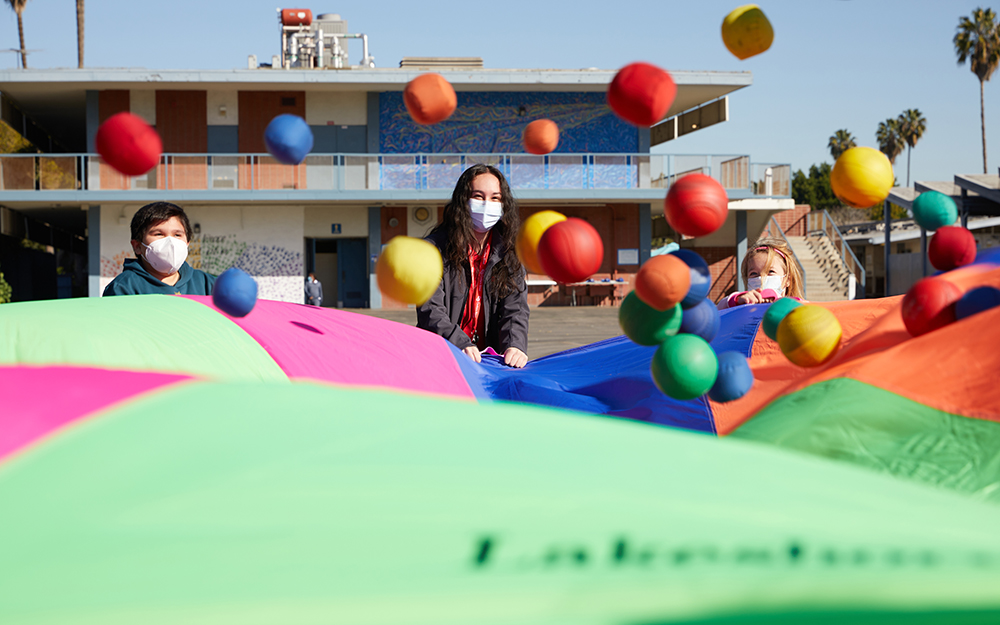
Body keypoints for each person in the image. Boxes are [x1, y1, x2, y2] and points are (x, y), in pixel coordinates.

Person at [417, 163, 529, 368]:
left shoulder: (510, 253)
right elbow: (430, 310)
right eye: (478, 196)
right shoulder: (433, 250)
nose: (487, 204)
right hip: (443, 357)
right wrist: (459, 343)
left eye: (495, 198)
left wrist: (515, 345)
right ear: (463, 201)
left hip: (490, 362)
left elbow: (516, 309)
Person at [103, 202, 216, 296]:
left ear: (187, 243)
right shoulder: (123, 288)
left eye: (177, 235)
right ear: (137, 246)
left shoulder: (207, 284)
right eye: (158, 234)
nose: (170, 243)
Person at [717, 237, 806, 309]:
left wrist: (782, 302)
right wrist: (737, 300)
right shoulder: (744, 303)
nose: (761, 278)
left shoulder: (795, 305)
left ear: (788, 280)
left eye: (770, 272)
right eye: (753, 273)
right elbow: (720, 308)